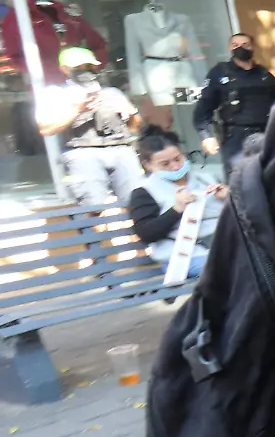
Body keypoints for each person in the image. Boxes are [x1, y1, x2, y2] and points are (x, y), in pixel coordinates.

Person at [36, 48, 142, 203]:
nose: (85, 71)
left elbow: (134, 127)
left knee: (137, 201)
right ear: (65, 69)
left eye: (89, 66)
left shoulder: (111, 92)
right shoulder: (56, 93)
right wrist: (78, 109)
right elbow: (46, 128)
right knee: (92, 206)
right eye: (79, 67)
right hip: (82, 153)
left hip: (121, 149)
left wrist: (130, 114)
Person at [127, 129, 224, 278]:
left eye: (178, 159)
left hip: (224, 246)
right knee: (232, 268)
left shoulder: (205, 178)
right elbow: (145, 233)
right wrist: (176, 209)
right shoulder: (144, 192)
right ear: (148, 165)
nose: (175, 166)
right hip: (184, 257)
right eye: (165, 164)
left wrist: (229, 197)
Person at [194, 33, 275, 165]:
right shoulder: (220, 73)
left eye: (245, 45)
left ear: (253, 48)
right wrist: (206, 136)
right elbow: (204, 107)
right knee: (238, 178)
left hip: (266, 133)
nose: (240, 48)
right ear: (229, 49)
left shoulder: (264, 74)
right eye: (235, 45)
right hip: (236, 137)